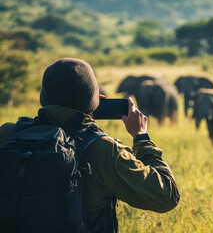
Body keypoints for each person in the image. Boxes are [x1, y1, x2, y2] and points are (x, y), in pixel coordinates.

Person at [0, 58, 180, 232]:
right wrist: (141, 137)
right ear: (97, 99)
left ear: (43, 97)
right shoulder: (105, 150)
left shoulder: (8, 134)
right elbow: (166, 196)